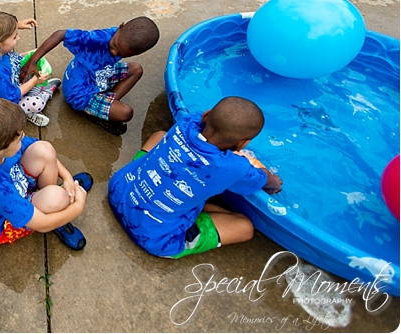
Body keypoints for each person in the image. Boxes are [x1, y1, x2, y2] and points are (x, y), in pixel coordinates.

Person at [107, 97, 283, 259]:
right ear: (242, 144)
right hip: (154, 236)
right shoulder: (233, 167)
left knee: (160, 135)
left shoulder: (187, 123)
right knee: (245, 227)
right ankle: (193, 209)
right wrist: (273, 180)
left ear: (206, 115)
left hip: (120, 190)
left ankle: (185, 203)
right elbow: (263, 179)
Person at [0, 97, 93, 250]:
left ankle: (50, 201)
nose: (23, 138)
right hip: (1, 223)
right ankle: (57, 212)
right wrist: (78, 207)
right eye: (19, 139)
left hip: (7, 185)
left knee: (44, 149)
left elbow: (42, 150)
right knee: (59, 198)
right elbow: (42, 224)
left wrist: (67, 177)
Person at [20, 16, 159, 136]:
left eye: (122, 54)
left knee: (136, 69)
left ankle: (105, 101)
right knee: (125, 113)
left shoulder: (121, 40)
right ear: (120, 27)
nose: (115, 53)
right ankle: (93, 111)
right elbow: (60, 34)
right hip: (79, 91)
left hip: (99, 76)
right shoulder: (97, 39)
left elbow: (121, 56)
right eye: (115, 46)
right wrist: (33, 60)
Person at [0, 11, 61, 127]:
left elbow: (13, 60)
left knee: (33, 69)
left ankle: (38, 90)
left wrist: (29, 55)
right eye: (14, 37)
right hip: (7, 106)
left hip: (15, 83)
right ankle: (45, 93)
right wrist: (34, 82)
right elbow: (11, 96)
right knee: (36, 103)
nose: (18, 38)